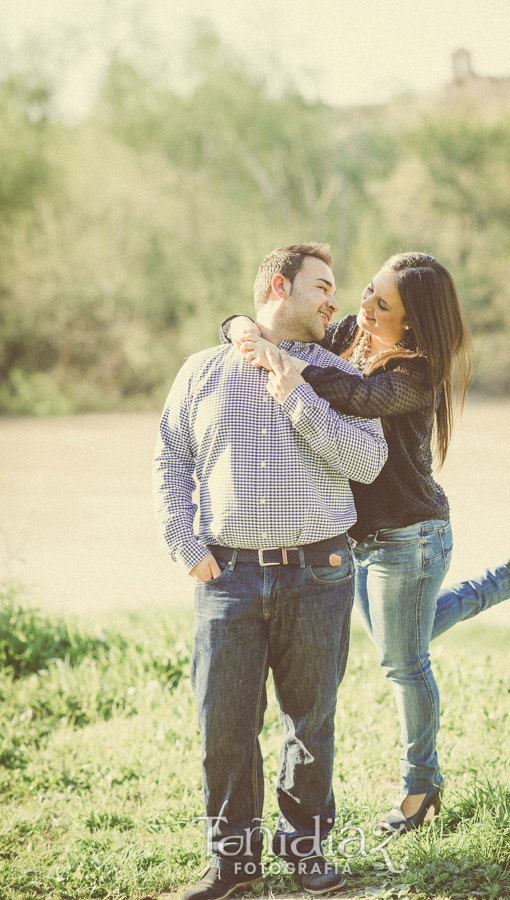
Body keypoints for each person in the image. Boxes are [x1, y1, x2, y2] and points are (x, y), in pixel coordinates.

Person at [228, 250, 510, 836]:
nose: (363, 306)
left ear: (412, 320)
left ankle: (420, 788)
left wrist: (289, 367)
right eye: (368, 291)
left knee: (404, 661)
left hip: (412, 535)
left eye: (382, 304)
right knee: (405, 637)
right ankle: (506, 578)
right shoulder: (353, 332)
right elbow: (275, 327)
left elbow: (357, 397)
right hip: (364, 539)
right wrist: (241, 329)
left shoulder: (415, 371)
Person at [152, 243, 388, 900]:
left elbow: (366, 463)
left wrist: (296, 394)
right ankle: (232, 866)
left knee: (309, 726)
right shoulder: (201, 371)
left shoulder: (337, 376)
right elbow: (169, 460)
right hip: (224, 579)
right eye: (323, 286)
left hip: (318, 574)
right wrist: (184, 544)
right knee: (223, 727)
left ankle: (306, 857)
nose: (334, 300)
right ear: (279, 287)